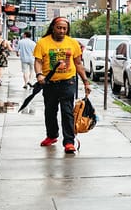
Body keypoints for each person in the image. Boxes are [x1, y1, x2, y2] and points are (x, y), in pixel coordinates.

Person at [33, 17, 92, 154]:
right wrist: (39, 75)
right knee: (50, 111)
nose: (62, 31)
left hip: (68, 82)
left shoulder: (72, 43)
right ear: (53, 27)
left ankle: (69, 142)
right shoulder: (43, 43)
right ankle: (52, 136)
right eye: (59, 28)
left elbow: (78, 64)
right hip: (49, 83)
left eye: (64, 28)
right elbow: (38, 61)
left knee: (67, 112)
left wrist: (86, 82)